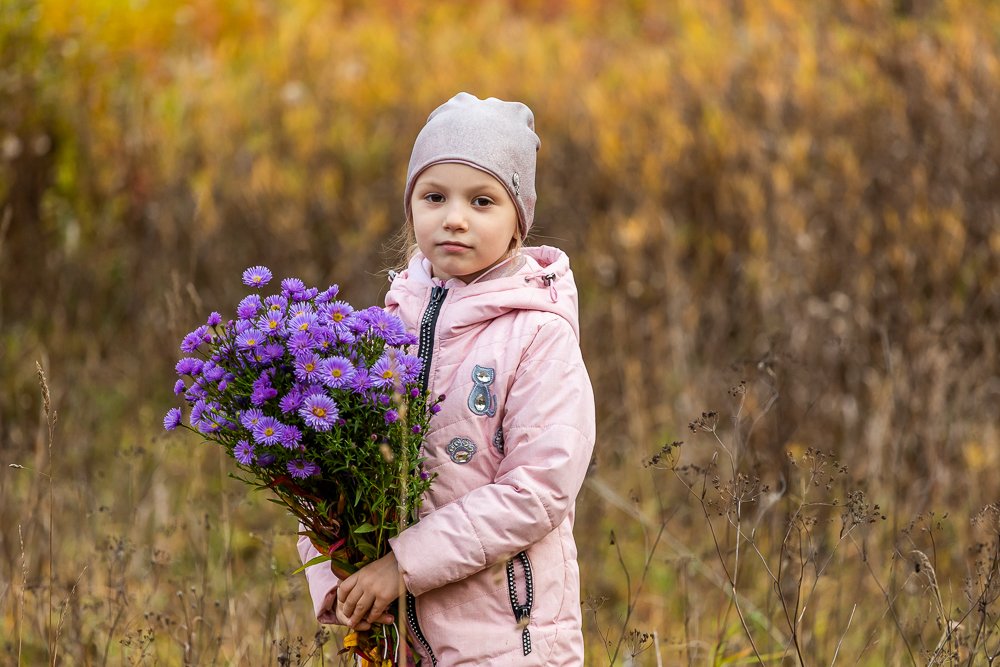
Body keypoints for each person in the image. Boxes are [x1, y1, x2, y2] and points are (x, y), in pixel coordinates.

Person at [298, 92, 596, 665]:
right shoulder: (382, 326)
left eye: (482, 200)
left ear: (518, 223)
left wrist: (402, 566)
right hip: (401, 642)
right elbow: (328, 476)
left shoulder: (538, 335)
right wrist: (343, 583)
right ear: (412, 210)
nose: (454, 217)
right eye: (434, 196)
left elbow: (539, 489)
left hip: (510, 640)